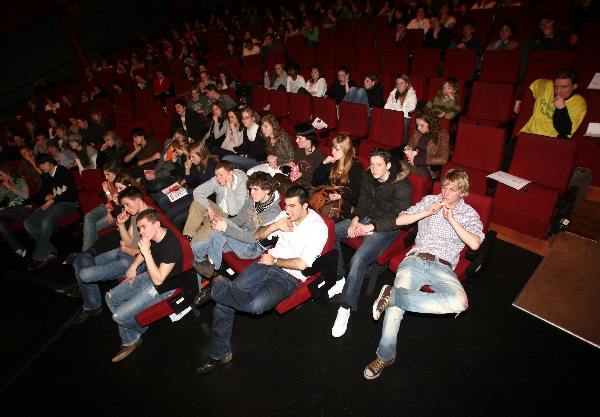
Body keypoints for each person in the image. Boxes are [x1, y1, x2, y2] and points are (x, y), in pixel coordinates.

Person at [193, 185, 328, 374]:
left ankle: (217, 286)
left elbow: (302, 264)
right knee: (224, 303)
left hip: (288, 277)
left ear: (305, 206)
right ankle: (220, 353)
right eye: (286, 205)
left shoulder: (317, 227)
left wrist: (276, 261)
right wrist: (275, 225)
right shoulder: (284, 216)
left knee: (256, 306)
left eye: (292, 206)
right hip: (265, 263)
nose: (287, 210)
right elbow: (257, 235)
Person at [364, 168, 484, 380]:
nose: (446, 193)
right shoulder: (430, 200)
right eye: (445, 187)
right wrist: (427, 212)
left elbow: (474, 243)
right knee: (394, 312)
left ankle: (394, 296)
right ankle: (385, 356)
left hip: (443, 266)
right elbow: (400, 220)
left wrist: (452, 219)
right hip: (416, 259)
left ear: (463, 193)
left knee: (460, 303)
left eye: (452, 190)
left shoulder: (469, 214)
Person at [330, 149, 412, 338]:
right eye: (372, 164)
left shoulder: (402, 186)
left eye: (379, 165)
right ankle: (341, 277)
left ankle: (346, 306)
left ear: (389, 166)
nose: (374, 169)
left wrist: (371, 227)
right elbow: (363, 201)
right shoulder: (369, 176)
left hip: (386, 227)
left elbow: (398, 218)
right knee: (331, 232)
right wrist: (355, 219)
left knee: (358, 259)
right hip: (366, 218)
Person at [106, 208, 182, 363]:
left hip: (164, 286)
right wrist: (133, 267)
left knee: (118, 316)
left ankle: (136, 330)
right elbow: (143, 252)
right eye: (139, 228)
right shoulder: (153, 235)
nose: (140, 232)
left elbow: (159, 280)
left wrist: (147, 253)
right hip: (150, 275)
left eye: (143, 227)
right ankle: (132, 337)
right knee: (110, 297)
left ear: (157, 224)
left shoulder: (171, 245)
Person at [67, 186, 149, 324]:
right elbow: (128, 241)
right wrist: (121, 224)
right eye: (124, 206)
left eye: (127, 205)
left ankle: (90, 302)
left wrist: (127, 248)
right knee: (80, 259)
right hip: (122, 252)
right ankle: (92, 304)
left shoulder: (149, 220)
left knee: (84, 274)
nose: (126, 209)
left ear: (138, 200)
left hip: (132, 262)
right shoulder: (136, 215)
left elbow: (142, 252)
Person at [191, 171, 282, 279]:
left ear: (267, 190)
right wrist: (225, 222)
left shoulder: (274, 213)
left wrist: (226, 227)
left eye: (255, 189)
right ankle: (201, 258)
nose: (251, 192)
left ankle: (212, 263)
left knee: (219, 230)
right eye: (251, 188)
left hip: (252, 248)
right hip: (241, 237)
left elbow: (253, 238)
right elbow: (239, 219)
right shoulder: (253, 200)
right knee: (217, 230)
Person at [23, 154, 78, 270]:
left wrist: (53, 200)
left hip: (68, 203)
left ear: (50, 162)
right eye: (40, 165)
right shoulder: (47, 176)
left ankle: (38, 257)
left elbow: (72, 193)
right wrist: (25, 202)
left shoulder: (63, 171)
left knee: (46, 221)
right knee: (28, 222)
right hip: (54, 203)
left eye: (43, 164)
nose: (41, 167)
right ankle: (50, 250)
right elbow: (42, 193)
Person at [156, 140, 219, 230]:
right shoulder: (198, 164)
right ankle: (175, 229)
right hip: (195, 193)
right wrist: (187, 170)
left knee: (174, 215)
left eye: (193, 156)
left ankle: (177, 232)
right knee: (169, 208)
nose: (191, 159)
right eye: (190, 156)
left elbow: (205, 189)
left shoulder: (212, 164)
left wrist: (189, 188)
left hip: (205, 198)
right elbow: (190, 183)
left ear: (201, 154)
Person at [183, 160, 248, 243]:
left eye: (221, 175)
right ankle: (188, 236)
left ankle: (192, 245)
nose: (218, 178)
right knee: (197, 203)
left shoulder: (242, 185)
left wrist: (229, 188)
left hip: (230, 219)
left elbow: (233, 211)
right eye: (216, 175)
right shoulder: (217, 179)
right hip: (218, 210)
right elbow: (197, 192)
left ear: (230, 173)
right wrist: (209, 209)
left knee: (206, 231)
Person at [517, 69, 587, 139]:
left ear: (574, 86)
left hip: (551, 140)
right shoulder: (547, 85)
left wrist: (561, 109)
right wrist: (519, 99)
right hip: (527, 133)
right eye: (555, 87)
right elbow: (533, 85)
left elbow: (565, 132)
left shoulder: (579, 104)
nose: (558, 91)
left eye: (564, 87)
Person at [312, 134, 365, 220]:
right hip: (327, 198)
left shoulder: (356, 166)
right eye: (332, 148)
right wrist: (324, 164)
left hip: (344, 201)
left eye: (337, 149)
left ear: (346, 150)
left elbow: (357, 190)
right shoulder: (332, 162)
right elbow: (315, 181)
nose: (333, 152)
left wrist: (340, 195)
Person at [81, 160, 122, 251]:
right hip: (107, 206)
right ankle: (88, 252)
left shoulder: (121, 183)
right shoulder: (109, 181)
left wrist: (106, 191)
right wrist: (108, 209)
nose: (106, 177)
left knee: (92, 227)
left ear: (115, 172)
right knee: (88, 216)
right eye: (105, 175)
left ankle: (88, 252)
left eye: (108, 174)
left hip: (117, 212)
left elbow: (118, 206)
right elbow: (104, 199)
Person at [405, 108, 450, 178]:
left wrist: (419, 160)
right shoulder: (418, 130)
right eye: (417, 125)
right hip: (414, 161)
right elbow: (410, 145)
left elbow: (443, 159)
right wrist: (408, 151)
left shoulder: (442, 134)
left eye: (421, 125)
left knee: (404, 171)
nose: (419, 128)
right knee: (394, 165)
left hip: (429, 166)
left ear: (430, 123)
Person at [0, 164, 31, 257]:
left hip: (23, 208)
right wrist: (1, 190)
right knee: (0, 224)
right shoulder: (2, 185)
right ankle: (18, 249)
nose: (0, 177)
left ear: (8, 174)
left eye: (1, 175)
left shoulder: (20, 181)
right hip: (11, 211)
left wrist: (9, 187)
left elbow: (26, 196)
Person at [384, 74, 418, 142]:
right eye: (397, 83)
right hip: (393, 115)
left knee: (404, 121)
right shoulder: (393, 93)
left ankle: (403, 144)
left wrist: (396, 109)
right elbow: (386, 106)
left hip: (405, 117)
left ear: (407, 84)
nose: (399, 85)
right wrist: (397, 110)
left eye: (401, 83)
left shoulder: (411, 94)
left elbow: (411, 108)